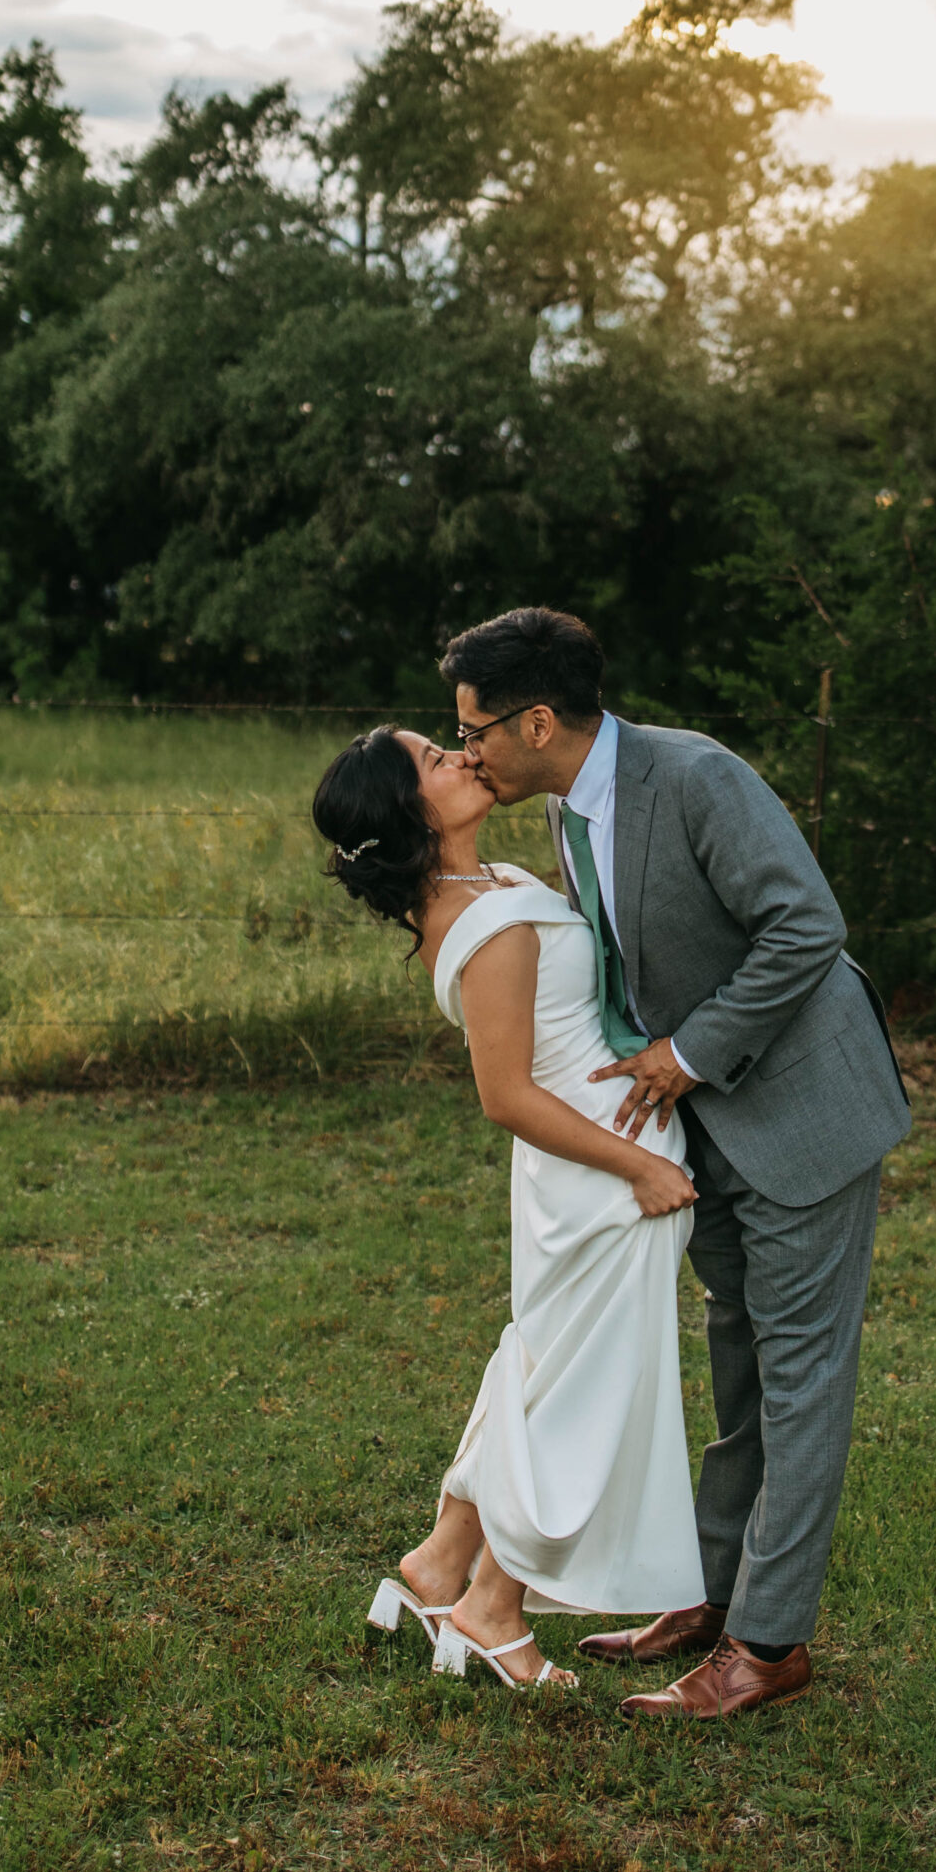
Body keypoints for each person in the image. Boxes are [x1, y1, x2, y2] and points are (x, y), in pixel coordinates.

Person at [441, 606, 912, 1722]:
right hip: (713, 1136)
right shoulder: (568, 810)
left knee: (801, 1384)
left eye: (474, 730)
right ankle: (706, 1595)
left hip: (803, 1116)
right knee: (739, 1367)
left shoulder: (695, 778)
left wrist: (685, 1056)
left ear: (538, 719)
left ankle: (767, 1644)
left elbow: (805, 926)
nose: (464, 751)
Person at [312, 723, 703, 1693]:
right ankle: (493, 1608)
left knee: (545, 1373)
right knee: (578, 1397)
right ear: (411, 810)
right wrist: (638, 1168)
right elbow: (508, 1097)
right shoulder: (476, 924)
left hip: (594, 1181)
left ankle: (441, 1564)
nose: (456, 755)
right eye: (431, 760)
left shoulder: (492, 884)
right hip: (598, 1185)